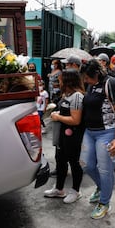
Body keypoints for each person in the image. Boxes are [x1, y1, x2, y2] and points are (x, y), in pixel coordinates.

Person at [79, 59, 115, 219]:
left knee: (105, 169)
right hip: (89, 132)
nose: (85, 81)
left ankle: (104, 202)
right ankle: (101, 187)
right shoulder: (91, 85)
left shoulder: (111, 83)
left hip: (107, 132)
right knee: (86, 164)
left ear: (97, 73)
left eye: (87, 77)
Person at [44, 69, 85, 203]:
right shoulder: (66, 95)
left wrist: (58, 117)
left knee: (74, 162)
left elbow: (76, 120)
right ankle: (59, 189)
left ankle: (75, 191)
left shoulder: (77, 96)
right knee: (60, 161)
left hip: (72, 136)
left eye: (61, 79)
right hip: (61, 134)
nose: (58, 81)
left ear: (68, 81)